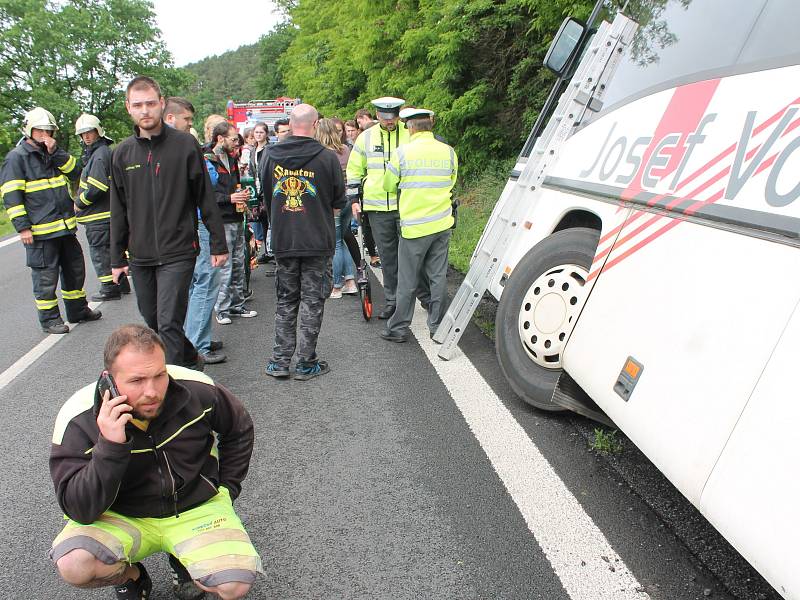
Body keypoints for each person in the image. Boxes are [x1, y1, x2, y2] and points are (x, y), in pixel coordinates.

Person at [49, 324, 261, 599]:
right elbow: (79, 508)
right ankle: (132, 576)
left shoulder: (196, 389)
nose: (152, 391)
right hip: (123, 514)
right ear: (109, 380)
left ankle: (183, 558)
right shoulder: (78, 418)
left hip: (194, 508)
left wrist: (227, 488)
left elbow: (239, 428)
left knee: (233, 585)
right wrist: (111, 447)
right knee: (75, 565)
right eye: (137, 381)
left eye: (159, 375)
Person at [110, 76, 228, 370]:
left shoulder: (185, 144)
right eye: (138, 105)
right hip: (141, 255)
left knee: (168, 322)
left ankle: (174, 387)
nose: (145, 110)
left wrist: (217, 242)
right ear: (128, 108)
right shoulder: (122, 153)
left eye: (151, 103)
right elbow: (118, 207)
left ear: (161, 104)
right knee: (154, 321)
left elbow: (204, 196)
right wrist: (116, 258)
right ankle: (190, 358)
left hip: (179, 250)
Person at [260, 103, 346, 380]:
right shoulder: (327, 157)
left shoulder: (269, 155)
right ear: (315, 123)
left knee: (286, 300)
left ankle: (280, 360)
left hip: (284, 237)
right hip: (317, 239)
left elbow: (265, 195)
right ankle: (306, 362)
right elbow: (337, 202)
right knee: (312, 300)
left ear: (292, 123)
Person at [1, 107, 101, 334]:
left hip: (65, 228)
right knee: (45, 280)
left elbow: (76, 171)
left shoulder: (52, 153)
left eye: (49, 131)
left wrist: (56, 152)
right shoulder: (17, 159)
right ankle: (50, 320)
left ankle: (78, 310)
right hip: (40, 232)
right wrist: (23, 227)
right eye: (41, 131)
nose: (46, 135)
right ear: (29, 130)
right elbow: (11, 196)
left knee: (75, 271)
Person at [380, 108, 458, 343]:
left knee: (407, 281)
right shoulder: (448, 152)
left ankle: (398, 328)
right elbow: (452, 181)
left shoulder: (402, 153)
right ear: (430, 124)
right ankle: (437, 327)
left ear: (410, 127)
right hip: (442, 224)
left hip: (414, 227)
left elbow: (388, 185)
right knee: (438, 277)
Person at [169, 100, 229, 366]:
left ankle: (195, 339)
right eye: (188, 120)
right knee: (205, 282)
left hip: (184, 225)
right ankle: (197, 345)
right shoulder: (186, 149)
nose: (191, 124)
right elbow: (208, 186)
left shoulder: (165, 149)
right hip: (196, 222)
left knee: (196, 284)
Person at [346, 97, 410, 319]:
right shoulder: (366, 137)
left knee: (409, 257)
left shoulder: (409, 133)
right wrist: (354, 198)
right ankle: (392, 301)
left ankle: (408, 300)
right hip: (377, 207)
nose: (389, 122)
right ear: (377, 115)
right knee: (388, 257)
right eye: (384, 118)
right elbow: (354, 169)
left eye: (392, 118)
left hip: (407, 206)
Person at [205, 122, 257, 326]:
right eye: (233, 139)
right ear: (220, 138)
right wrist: (230, 198)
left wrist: (242, 197)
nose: (238, 143)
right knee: (224, 267)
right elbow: (206, 194)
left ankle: (237, 304)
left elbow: (234, 186)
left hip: (236, 217)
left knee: (238, 262)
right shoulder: (207, 159)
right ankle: (222, 309)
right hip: (221, 220)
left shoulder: (232, 159)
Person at [74, 113, 130, 301]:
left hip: (98, 216)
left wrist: (79, 203)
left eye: (90, 132)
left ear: (98, 132)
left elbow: (97, 187)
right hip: (107, 214)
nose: (87, 137)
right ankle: (121, 284)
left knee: (100, 253)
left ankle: (109, 288)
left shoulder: (98, 156)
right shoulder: (104, 152)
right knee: (111, 249)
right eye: (83, 134)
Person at [316, 118, 357, 299]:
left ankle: (337, 286)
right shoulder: (345, 149)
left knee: (336, 243)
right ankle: (350, 281)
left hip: (333, 201)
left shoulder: (323, 153)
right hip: (348, 197)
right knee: (342, 239)